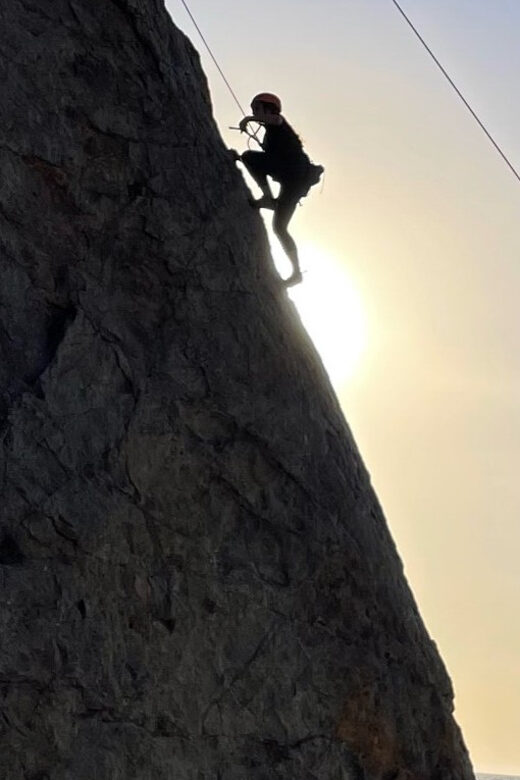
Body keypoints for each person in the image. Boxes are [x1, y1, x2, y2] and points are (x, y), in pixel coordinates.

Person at [234, 92, 323, 287]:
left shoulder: (279, 123)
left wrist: (249, 119)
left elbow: (274, 120)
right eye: (253, 109)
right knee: (280, 228)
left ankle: (267, 197)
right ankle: (296, 274)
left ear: (268, 108)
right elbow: (267, 162)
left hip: (293, 179)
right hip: (293, 183)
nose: (254, 112)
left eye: (257, 108)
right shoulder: (271, 134)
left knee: (249, 156)